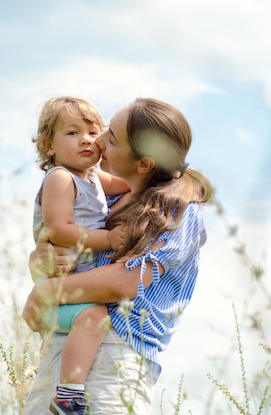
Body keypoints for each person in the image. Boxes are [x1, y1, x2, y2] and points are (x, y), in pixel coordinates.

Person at [22, 97, 214, 415]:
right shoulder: (104, 202)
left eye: (110, 137)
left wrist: (46, 291)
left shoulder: (176, 211)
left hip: (113, 363)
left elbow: (125, 281)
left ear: (143, 164)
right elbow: (66, 252)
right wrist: (41, 259)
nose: (97, 140)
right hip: (62, 352)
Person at [30, 96, 129, 415]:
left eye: (92, 131)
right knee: (95, 317)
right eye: (72, 133)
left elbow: (131, 185)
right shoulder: (60, 177)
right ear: (49, 146)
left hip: (74, 285)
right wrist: (109, 238)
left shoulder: (93, 178)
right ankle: (68, 397)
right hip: (60, 287)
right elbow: (59, 229)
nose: (85, 139)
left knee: (93, 316)